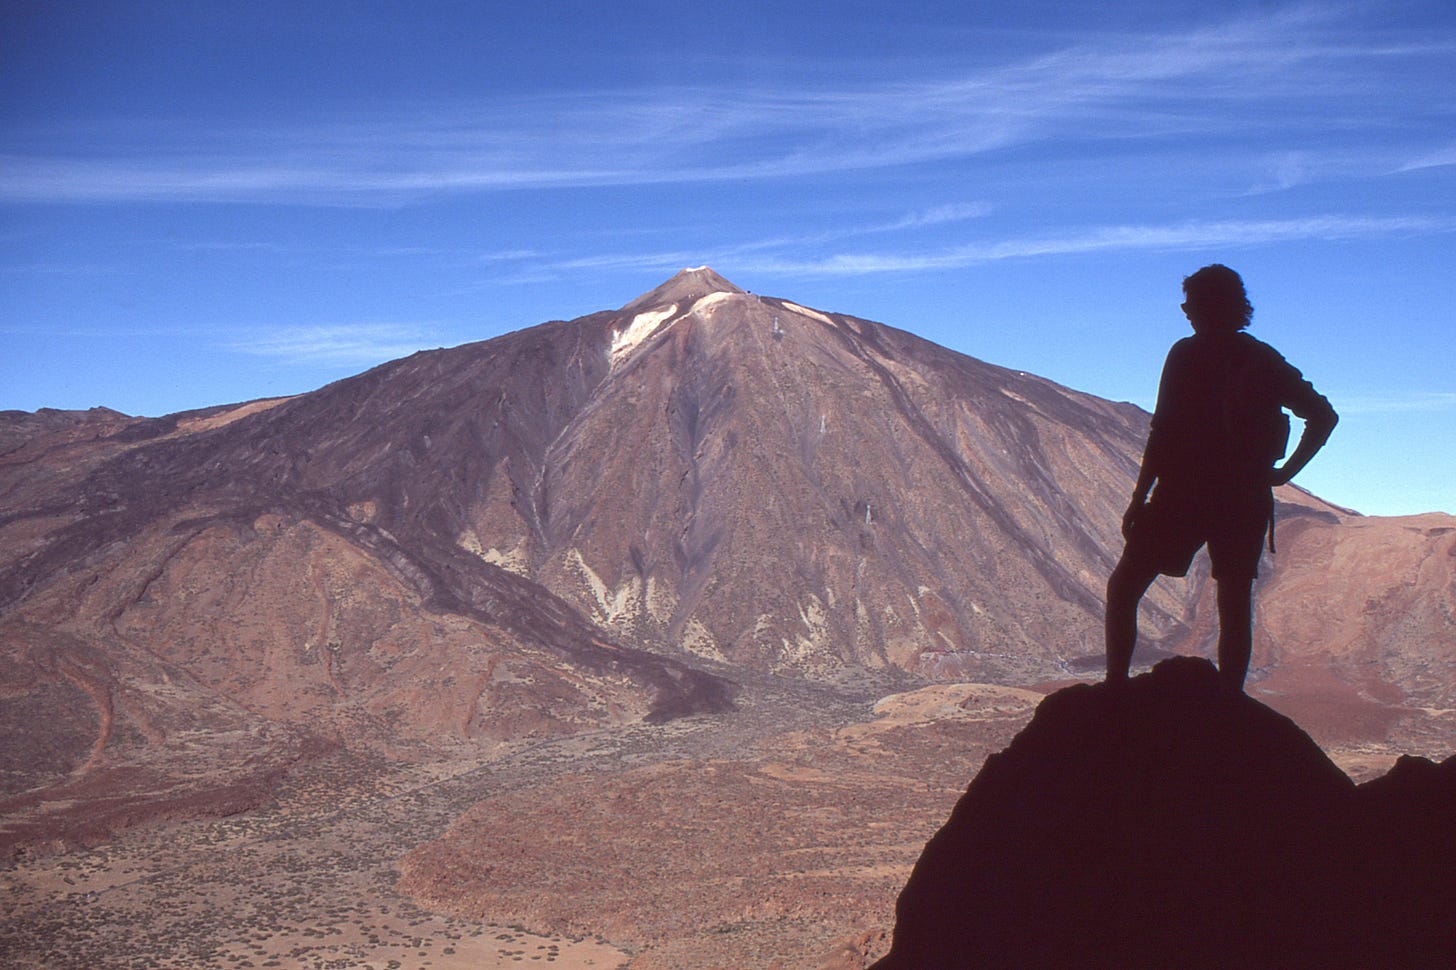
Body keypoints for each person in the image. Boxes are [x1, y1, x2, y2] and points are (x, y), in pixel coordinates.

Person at [1105, 265, 1337, 692]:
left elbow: (1163, 432)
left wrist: (1140, 498)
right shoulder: (1263, 359)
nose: (1186, 312)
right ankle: (1230, 701)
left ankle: (1115, 687)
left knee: (1124, 587)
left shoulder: (1186, 354)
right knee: (1233, 603)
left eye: (1191, 304)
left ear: (1210, 306)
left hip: (1183, 493)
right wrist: (1283, 473)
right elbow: (1323, 416)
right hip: (1243, 497)